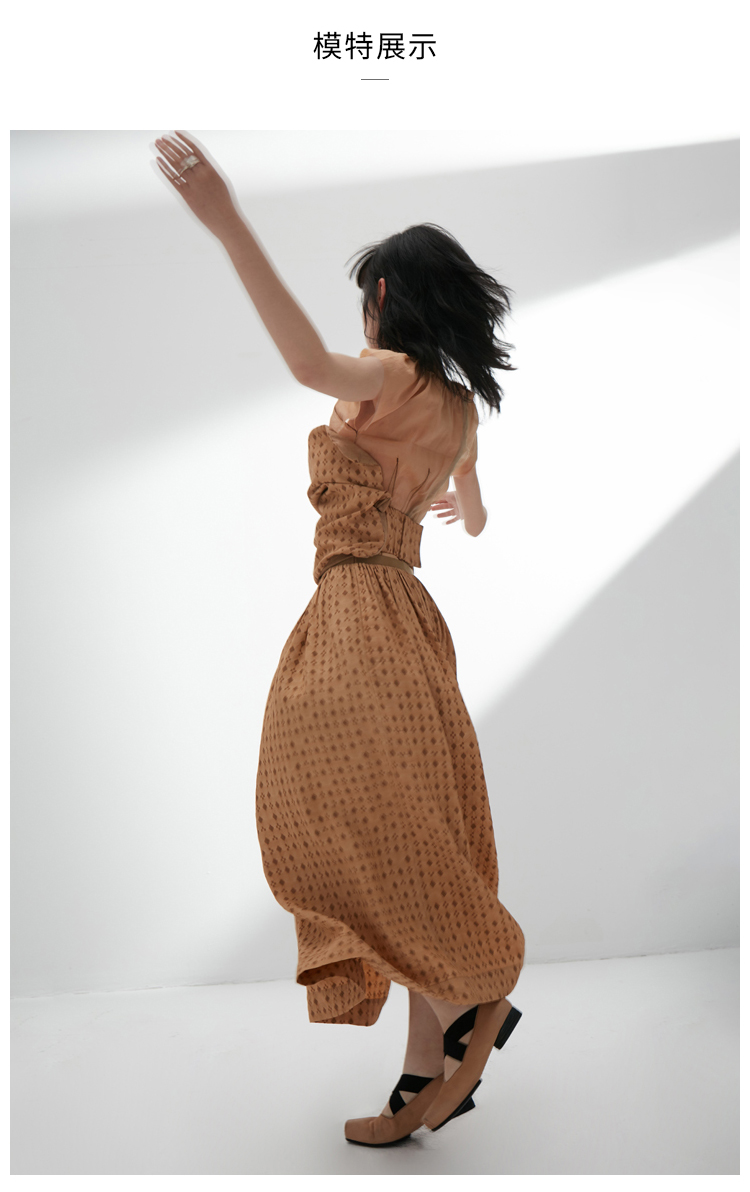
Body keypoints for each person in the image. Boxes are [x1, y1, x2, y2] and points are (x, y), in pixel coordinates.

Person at [153, 131, 526, 1145]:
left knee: (324, 812)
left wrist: (228, 224)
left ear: (387, 297)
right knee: (415, 835)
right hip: (415, 624)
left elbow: (305, 362)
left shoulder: (391, 373)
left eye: (368, 297)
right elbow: (477, 518)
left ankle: (474, 989)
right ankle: (421, 1075)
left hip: (360, 611)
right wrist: (443, 503)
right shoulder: (460, 410)